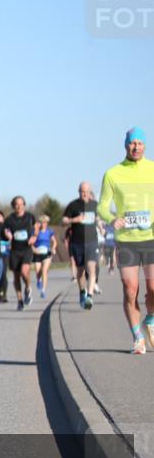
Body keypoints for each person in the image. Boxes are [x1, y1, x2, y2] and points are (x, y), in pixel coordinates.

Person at [97, 127, 154, 355]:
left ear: (145, 146)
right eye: (132, 143)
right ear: (126, 145)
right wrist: (112, 218)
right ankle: (137, 337)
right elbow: (102, 206)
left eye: (140, 143)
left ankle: (150, 319)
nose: (136, 146)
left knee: (153, 288)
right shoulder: (113, 173)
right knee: (130, 289)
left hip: (151, 237)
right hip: (127, 241)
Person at [63, 181, 100, 310]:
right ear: (79, 191)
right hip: (77, 242)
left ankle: (89, 297)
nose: (84, 194)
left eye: (86, 191)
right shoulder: (73, 205)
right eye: (82, 191)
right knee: (80, 272)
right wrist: (75, 220)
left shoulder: (95, 205)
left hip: (91, 242)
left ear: (90, 191)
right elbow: (64, 220)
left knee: (91, 268)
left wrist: (101, 227)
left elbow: (98, 218)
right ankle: (82, 292)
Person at [4, 196, 39, 311]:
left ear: (24, 205)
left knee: (24, 272)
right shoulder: (9, 219)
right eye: (16, 204)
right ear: (13, 206)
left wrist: (34, 236)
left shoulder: (30, 217)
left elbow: (37, 227)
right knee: (16, 277)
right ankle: (19, 301)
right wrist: (7, 234)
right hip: (14, 250)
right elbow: (5, 230)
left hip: (26, 249)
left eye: (21, 204)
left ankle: (28, 288)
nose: (19, 206)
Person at [33, 215, 58, 298]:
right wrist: (34, 249)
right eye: (42, 222)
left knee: (44, 270)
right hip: (37, 253)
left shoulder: (49, 231)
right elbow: (31, 243)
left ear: (47, 223)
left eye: (45, 222)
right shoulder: (36, 231)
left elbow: (54, 242)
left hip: (46, 252)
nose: (43, 224)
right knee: (38, 271)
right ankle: (39, 280)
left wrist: (53, 248)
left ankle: (43, 290)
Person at [0, 211, 11, 303]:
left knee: (2, 273)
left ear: (3, 218)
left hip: (4, 253)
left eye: (0, 217)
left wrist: (8, 236)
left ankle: (3, 294)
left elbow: (10, 238)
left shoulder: (6, 227)